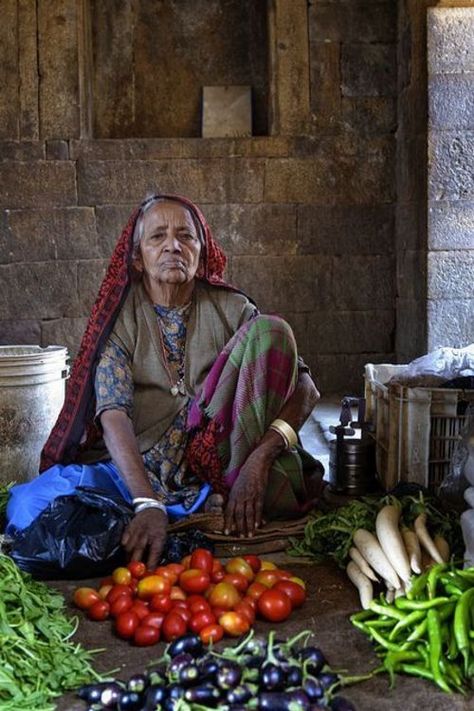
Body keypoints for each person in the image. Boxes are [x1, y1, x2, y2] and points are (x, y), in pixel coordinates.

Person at [7, 194, 322, 569]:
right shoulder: (119, 319)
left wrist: (258, 460)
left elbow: (306, 389)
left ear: (201, 253)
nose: (173, 245)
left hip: (221, 468)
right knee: (28, 506)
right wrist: (147, 500)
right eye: (158, 236)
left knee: (273, 332)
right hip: (138, 470)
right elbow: (113, 416)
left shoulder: (233, 309)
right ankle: (179, 515)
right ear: (138, 257)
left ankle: (204, 506)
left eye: (186, 236)